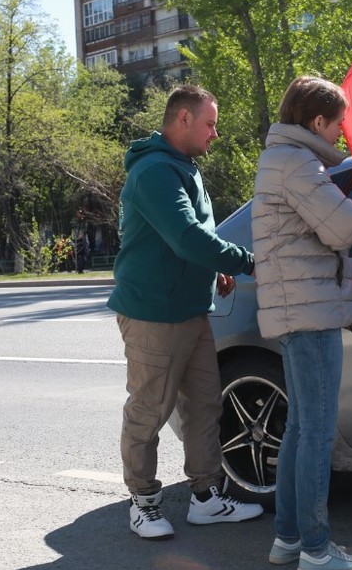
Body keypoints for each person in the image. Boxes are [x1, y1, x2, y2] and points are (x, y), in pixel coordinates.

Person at [252, 76, 352, 570]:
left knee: (299, 428)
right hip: (309, 311)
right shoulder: (299, 163)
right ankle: (316, 550)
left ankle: (289, 539)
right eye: (338, 123)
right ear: (317, 122)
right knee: (316, 432)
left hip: (297, 308)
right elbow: (342, 227)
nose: (340, 132)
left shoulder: (282, 159)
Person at [107, 85, 263, 540]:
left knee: (203, 408)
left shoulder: (183, 167)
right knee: (148, 411)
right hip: (155, 314)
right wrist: (246, 262)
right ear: (182, 120)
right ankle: (144, 502)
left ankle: (206, 498)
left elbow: (187, 238)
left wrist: (213, 271)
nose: (215, 133)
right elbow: (185, 236)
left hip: (191, 310)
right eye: (210, 123)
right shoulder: (155, 170)